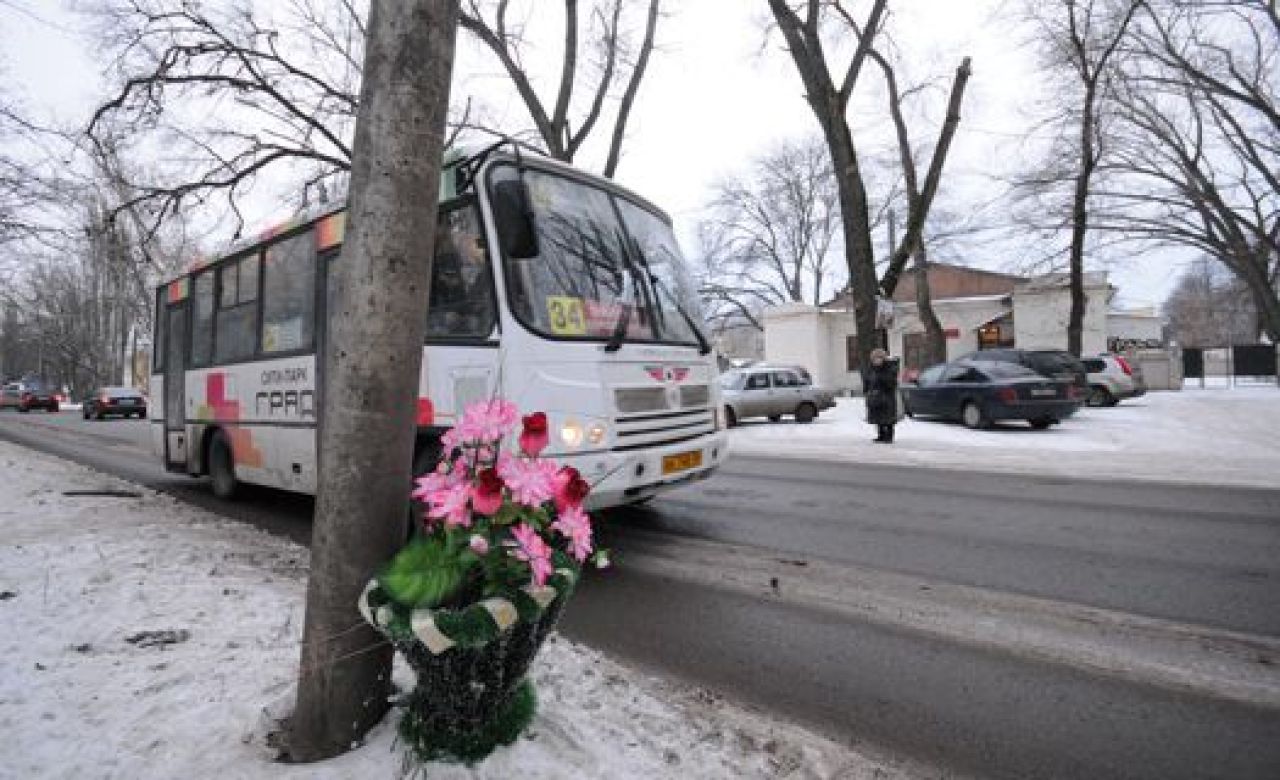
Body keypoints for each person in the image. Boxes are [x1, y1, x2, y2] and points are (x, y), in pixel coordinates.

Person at [863, 347, 900, 443]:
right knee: (877, 416)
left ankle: (889, 436)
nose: (877, 360)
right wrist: (867, 391)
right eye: (875, 358)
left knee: (888, 418)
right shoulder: (871, 369)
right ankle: (881, 434)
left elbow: (891, 383)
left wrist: (881, 378)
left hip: (887, 397)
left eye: (879, 358)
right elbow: (867, 380)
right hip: (874, 396)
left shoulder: (889, 368)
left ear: (883, 358)